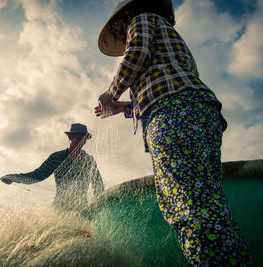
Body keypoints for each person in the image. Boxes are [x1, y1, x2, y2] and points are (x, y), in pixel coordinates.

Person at [94, 0, 252, 266]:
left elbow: (137, 54)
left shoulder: (139, 20)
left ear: (123, 18)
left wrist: (111, 94)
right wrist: (126, 108)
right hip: (199, 112)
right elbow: (167, 83)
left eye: (119, 30)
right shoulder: (170, 36)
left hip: (172, 114)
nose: (122, 35)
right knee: (208, 201)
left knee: (186, 203)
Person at [0, 123, 104, 212]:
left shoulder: (89, 161)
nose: (82, 141)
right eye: (79, 138)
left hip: (82, 209)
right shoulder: (57, 158)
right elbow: (37, 176)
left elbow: (98, 186)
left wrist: (96, 208)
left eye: (84, 138)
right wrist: (13, 177)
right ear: (70, 137)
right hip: (60, 209)